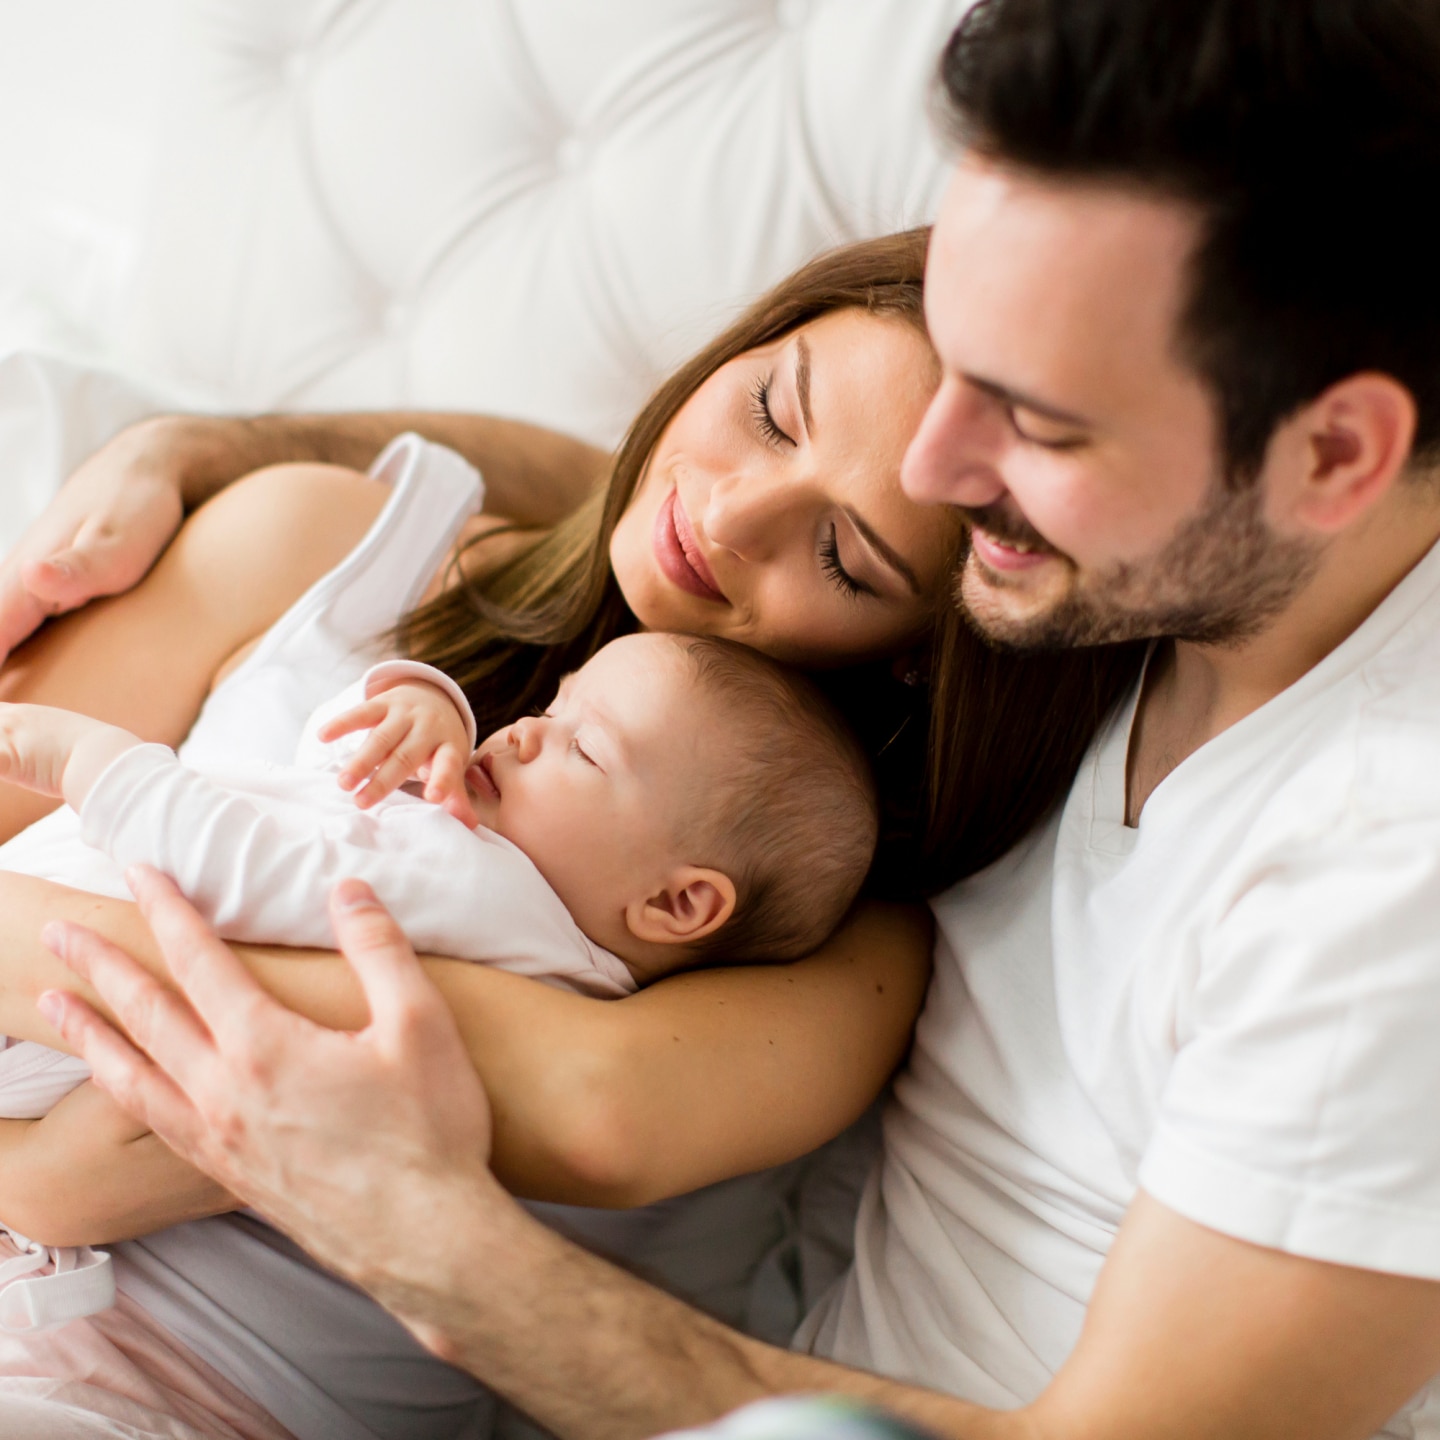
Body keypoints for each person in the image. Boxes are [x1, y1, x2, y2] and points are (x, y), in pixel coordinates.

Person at [19, 0, 1440, 1436]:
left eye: (1038, 423)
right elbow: (644, 506)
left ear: (1332, 454)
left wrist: (422, 1234)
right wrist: (225, 440)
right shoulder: (1100, 582)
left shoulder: (1376, 868)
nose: (953, 470)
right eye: (780, 401)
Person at [0, 233, 1135, 1437]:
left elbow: (595, 1112)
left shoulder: (839, 935)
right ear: (743, 345)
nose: (729, 514)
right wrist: (195, 442)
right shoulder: (325, 547)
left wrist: (45, 1160)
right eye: (768, 408)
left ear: (925, 644)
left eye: (844, 557)